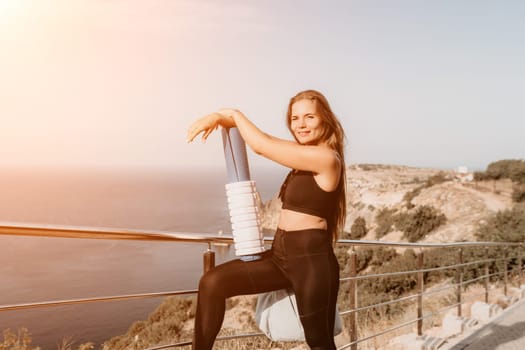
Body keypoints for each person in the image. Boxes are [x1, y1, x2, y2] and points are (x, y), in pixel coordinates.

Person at [186, 90, 347, 350]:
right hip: (279, 258)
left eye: (309, 117)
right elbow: (270, 143)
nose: (301, 124)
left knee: (319, 342)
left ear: (325, 120)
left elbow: (261, 145)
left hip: (312, 264)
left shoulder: (327, 158)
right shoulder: (301, 159)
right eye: (295, 118)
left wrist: (231, 114)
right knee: (212, 283)